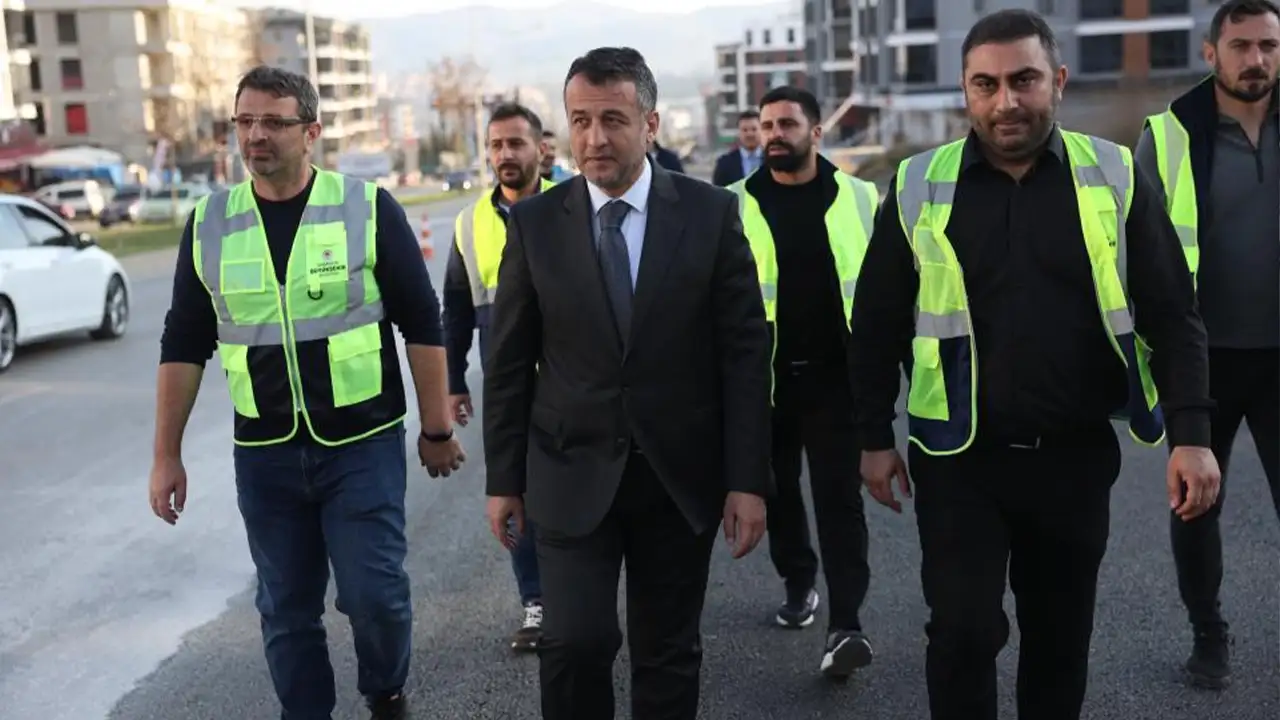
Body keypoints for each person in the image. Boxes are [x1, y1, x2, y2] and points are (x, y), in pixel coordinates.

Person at [847, 11, 1221, 720]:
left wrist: (1192, 436)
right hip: (958, 459)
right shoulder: (918, 184)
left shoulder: (1114, 175)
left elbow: (1174, 314)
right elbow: (873, 324)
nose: (1005, 102)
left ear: (1058, 80)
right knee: (961, 632)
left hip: (1073, 458)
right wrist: (872, 436)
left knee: (1058, 641)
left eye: (1023, 80)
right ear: (965, 89)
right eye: (985, 85)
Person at [147, 65, 465, 720]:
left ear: (311, 131)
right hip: (265, 455)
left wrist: (436, 428)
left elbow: (421, 320)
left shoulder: (366, 208)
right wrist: (165, 455)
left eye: (273, 122)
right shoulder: (210, 223)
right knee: (286, 609)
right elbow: (183, 342)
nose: (255, 135)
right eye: (245, 121)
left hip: (361, 445)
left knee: (375, 596)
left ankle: (385, 690)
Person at [482, 47, 772, 720]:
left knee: (667, 650)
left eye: (612, 120)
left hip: (676, 475)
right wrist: (503, 479)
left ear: (651, 124)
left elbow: (744, 354)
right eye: (580, 121)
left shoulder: (709, 214)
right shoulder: (535, 225)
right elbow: (509, 361)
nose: (594, 138)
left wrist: (748, 479)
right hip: (568, 470)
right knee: (575, 642)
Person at [1135, 0, 1280, 690]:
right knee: (1197, 503)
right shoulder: (1166, 136)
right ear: (1210, 52)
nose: (1257, 60)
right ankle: (1208, 633)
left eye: (1269, 46)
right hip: (1201, 360)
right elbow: (1140, 252)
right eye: (1242, 46)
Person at [726, 85, 877, 678]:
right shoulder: (732, 205)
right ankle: (798, 582)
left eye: (787, 124)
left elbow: (888, 290)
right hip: (763, 384)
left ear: (816, 132)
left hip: (838, 382)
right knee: (779, 493)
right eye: (767, 125)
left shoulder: (860, 198)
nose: (774, 135)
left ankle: (847, 624)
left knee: (841, 501)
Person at [443, 101, 555, 652]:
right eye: (495, 145)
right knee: (516, 492)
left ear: (541, 149)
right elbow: (456, 308)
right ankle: (536, 602)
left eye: (516, 143)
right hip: (509, 390)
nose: (505, 154)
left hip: (571, 384)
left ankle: (580, 592)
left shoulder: (573, 206)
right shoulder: (469, 224)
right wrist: (454, 379)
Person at [713, 109, 764, 186]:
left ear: (762, 130)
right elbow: (717, 191)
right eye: (745, 130)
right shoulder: (724, 163)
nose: (749, 134)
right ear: (738, 133)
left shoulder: (772, 160)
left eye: (754, 129)